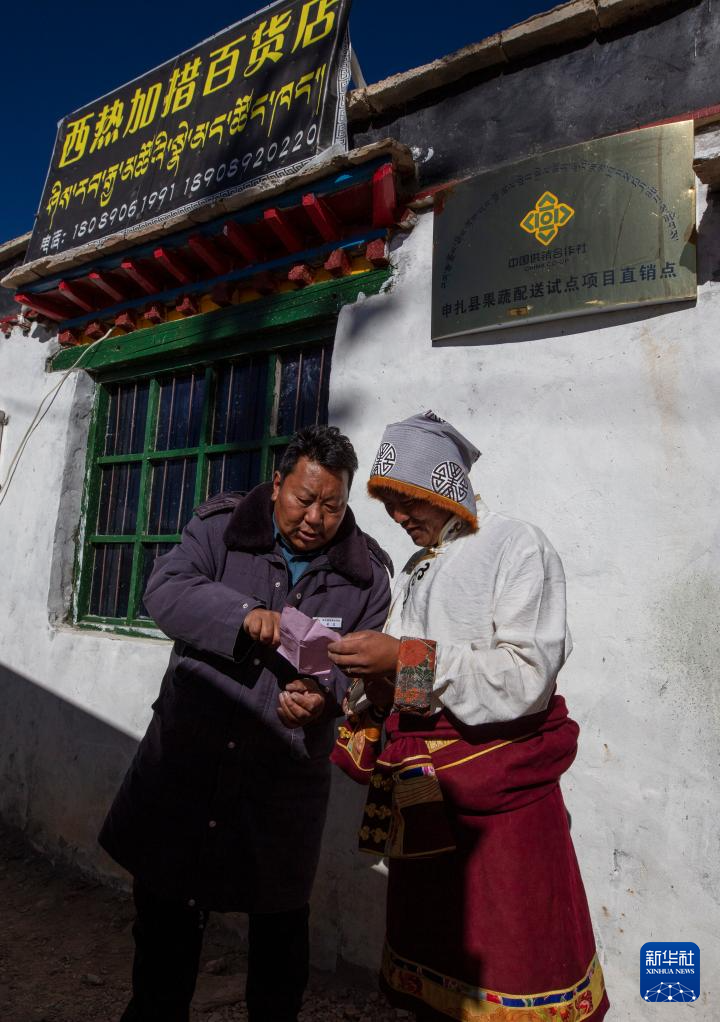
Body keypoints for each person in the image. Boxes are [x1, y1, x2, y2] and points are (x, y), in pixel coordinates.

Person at [99, 425, 392, 1022]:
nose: (315, 518)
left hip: (281, 785)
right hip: (188, 765)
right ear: (277, 484)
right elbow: (166, 591)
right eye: (303, 499)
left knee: (280, 952)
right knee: (163, 952)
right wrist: (244, 614)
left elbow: (360, 674)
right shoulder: (220, 530)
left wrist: (323, 696)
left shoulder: (366, 577)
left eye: (332, 506)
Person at [328, 411, 609, 1022]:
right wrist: (378, 682)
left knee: (511, 956)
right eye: (388, 503)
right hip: (427, 797)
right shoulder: (420, 567)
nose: (397, 516)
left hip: (500, 798)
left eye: (408, 499)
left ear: (446, 486)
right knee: (436, 949)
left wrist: (402, 657)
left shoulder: (516, 545)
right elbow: (420, 684)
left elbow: (525, 676)